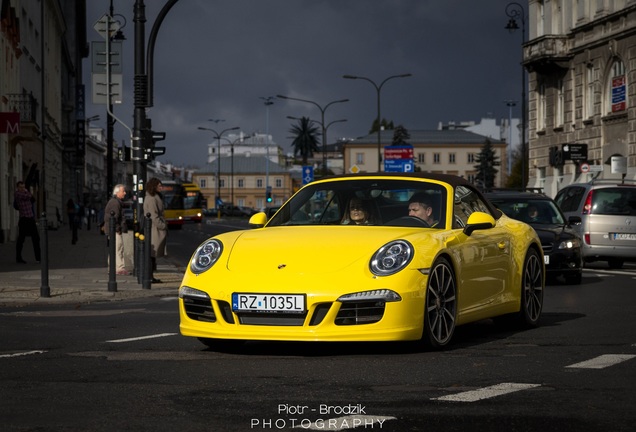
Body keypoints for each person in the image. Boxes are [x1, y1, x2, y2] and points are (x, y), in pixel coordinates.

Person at [143, 177, 168, 283]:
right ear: (154, 186)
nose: (161, 188)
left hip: (153, 229)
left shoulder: (153, 197)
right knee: (152, 254)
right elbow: (154, 216)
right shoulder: (152, 198)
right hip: (154, 230)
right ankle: (149, 277)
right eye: (159, 186)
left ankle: (150, 277)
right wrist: (163, 226)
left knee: (152, 255)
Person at [103, 184, 129, 275]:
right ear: (117, 192)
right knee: (118, 249)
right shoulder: (115, 202)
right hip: (114, 231)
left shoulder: (115, 201)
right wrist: (118, 229)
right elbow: (113, 218)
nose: (125, 193)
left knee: (114, 249)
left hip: (113, 230)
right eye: (123, 191)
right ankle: (119, 268)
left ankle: (113, 268)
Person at [14, 181, 41, 264]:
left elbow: (33, 199)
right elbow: (29, 196)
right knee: (21, 239)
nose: (22, 189)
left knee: (36, 238)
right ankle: (18, 257)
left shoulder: (25, 194)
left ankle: (39, 258)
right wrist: (27, 192)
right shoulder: (18, 194)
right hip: (24, 219)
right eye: (20, 187)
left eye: (23, 187)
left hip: (30, 219)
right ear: (17, 188)